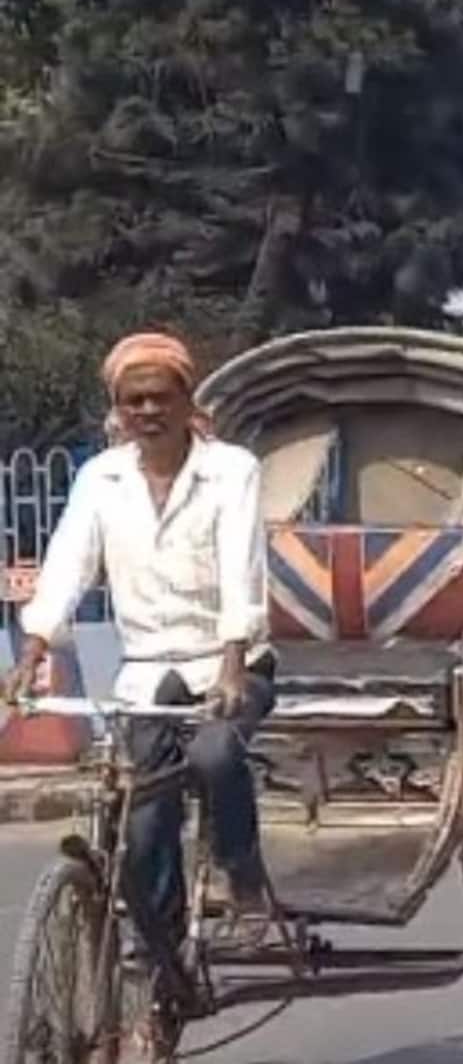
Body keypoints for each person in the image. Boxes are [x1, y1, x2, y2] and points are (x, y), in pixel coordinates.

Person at [4, 332, 272, 1056]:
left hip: (231, 662)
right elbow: (67, 563)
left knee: (217, 754)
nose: (147, 411)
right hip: (146, 675)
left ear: (190, 403)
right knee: (142, 831)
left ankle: (244, 879)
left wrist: (232, 665)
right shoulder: (102, 478)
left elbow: (242, 565)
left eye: (161, 398)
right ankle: (157, 976)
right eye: (133, 401)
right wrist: (34, 649)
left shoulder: (231, 471)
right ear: (117, 410)